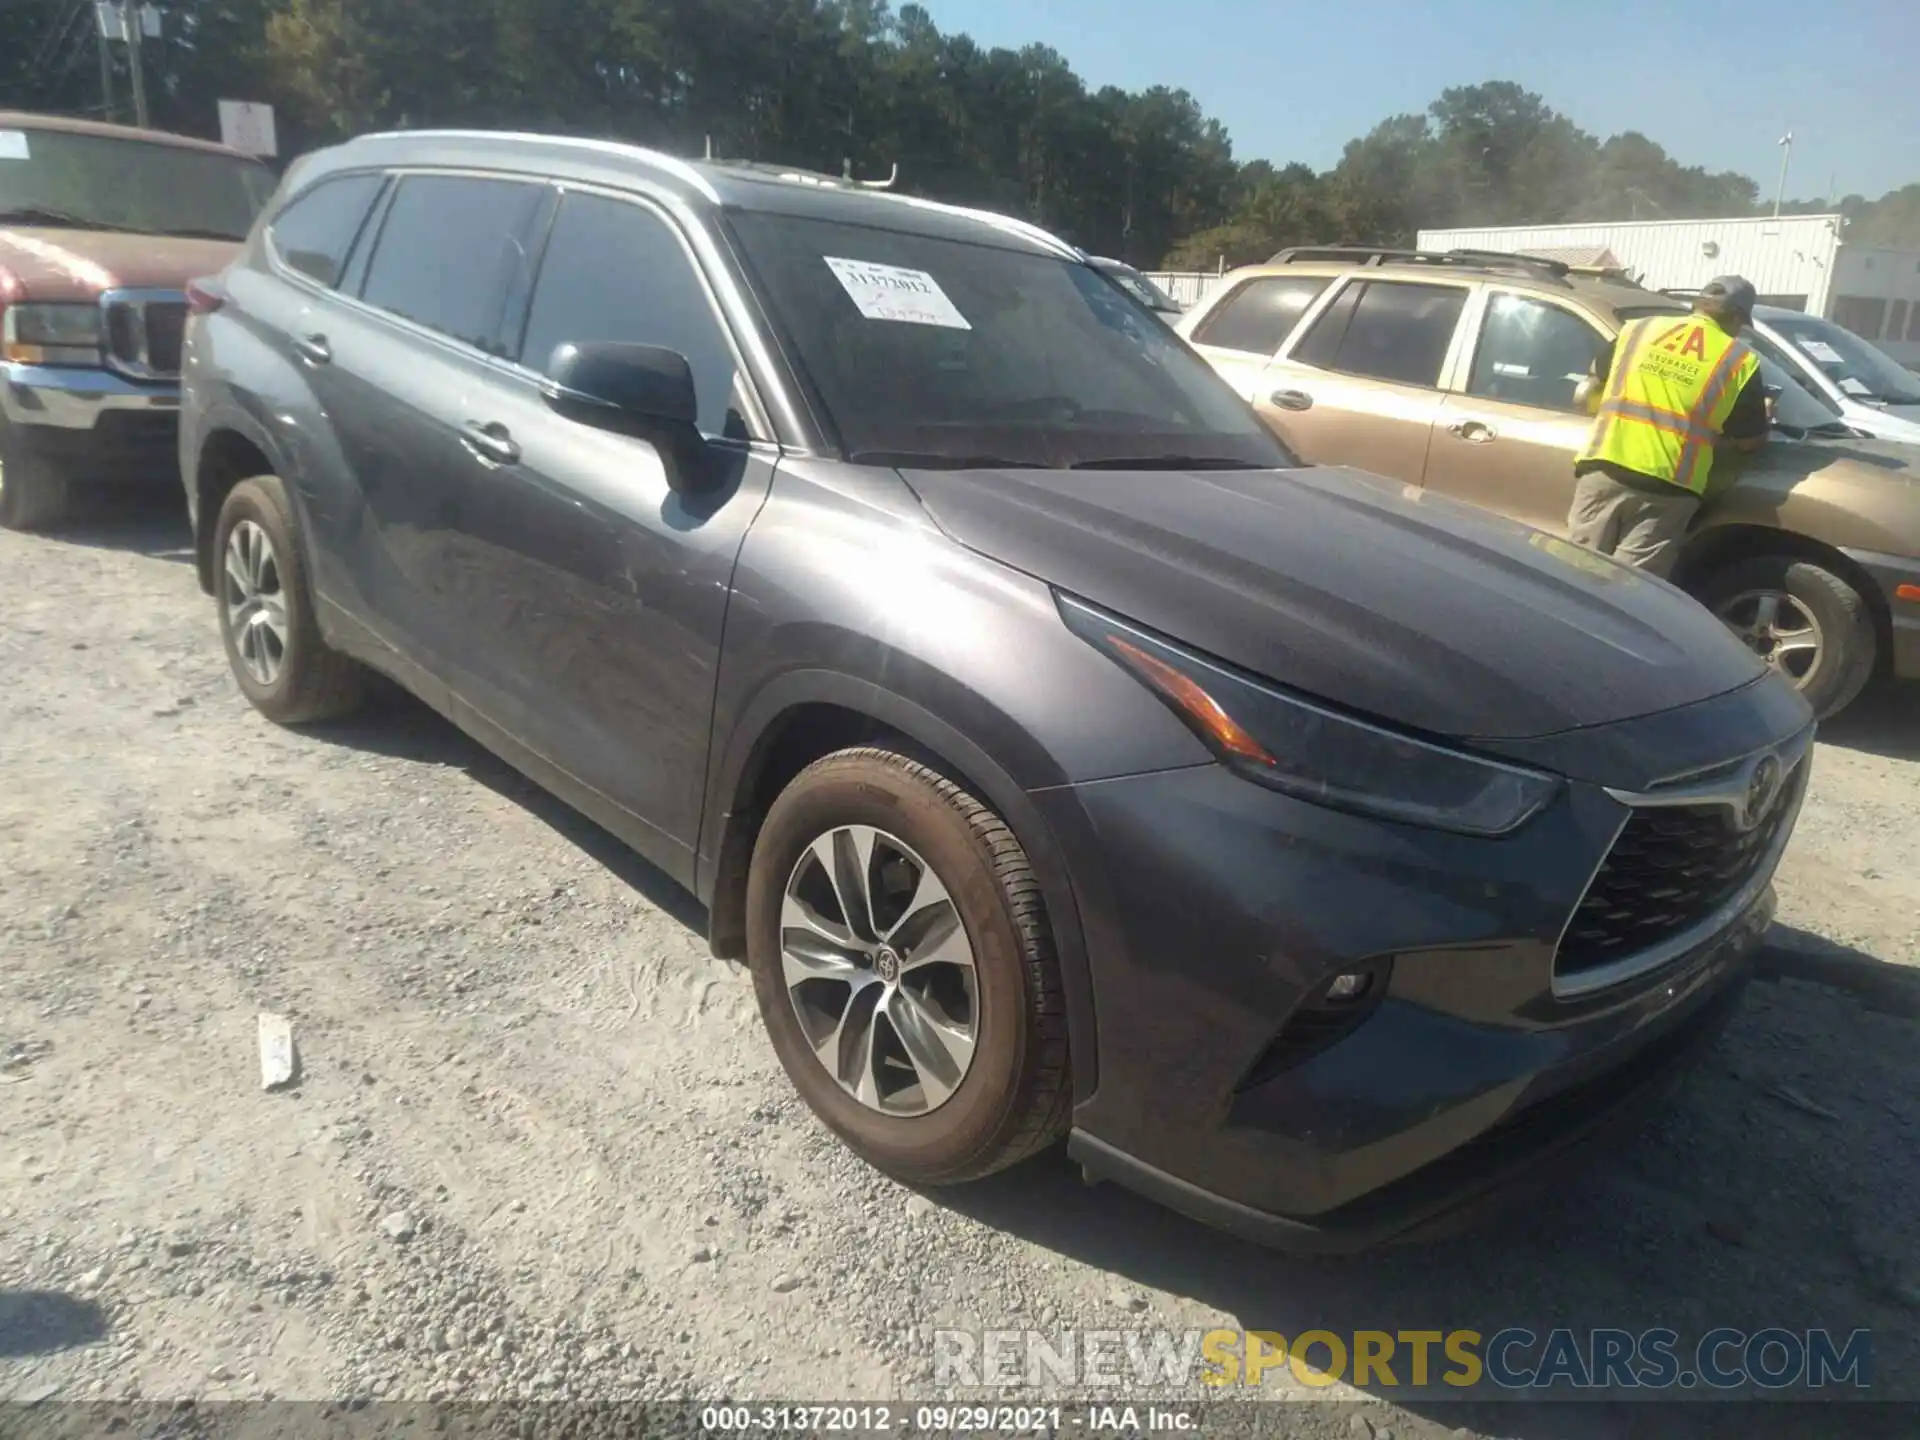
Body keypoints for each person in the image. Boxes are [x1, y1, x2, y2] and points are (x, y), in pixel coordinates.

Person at [1567, 275, 1767, 577]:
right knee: (1630, 587)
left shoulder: (1638, 330)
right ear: (1736, 316)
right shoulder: (1739, 360)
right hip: (1669, 485)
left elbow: (1592, 385)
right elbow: (1748, 441)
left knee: (1576, 573)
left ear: (1698, 305)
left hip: (1604, 465)